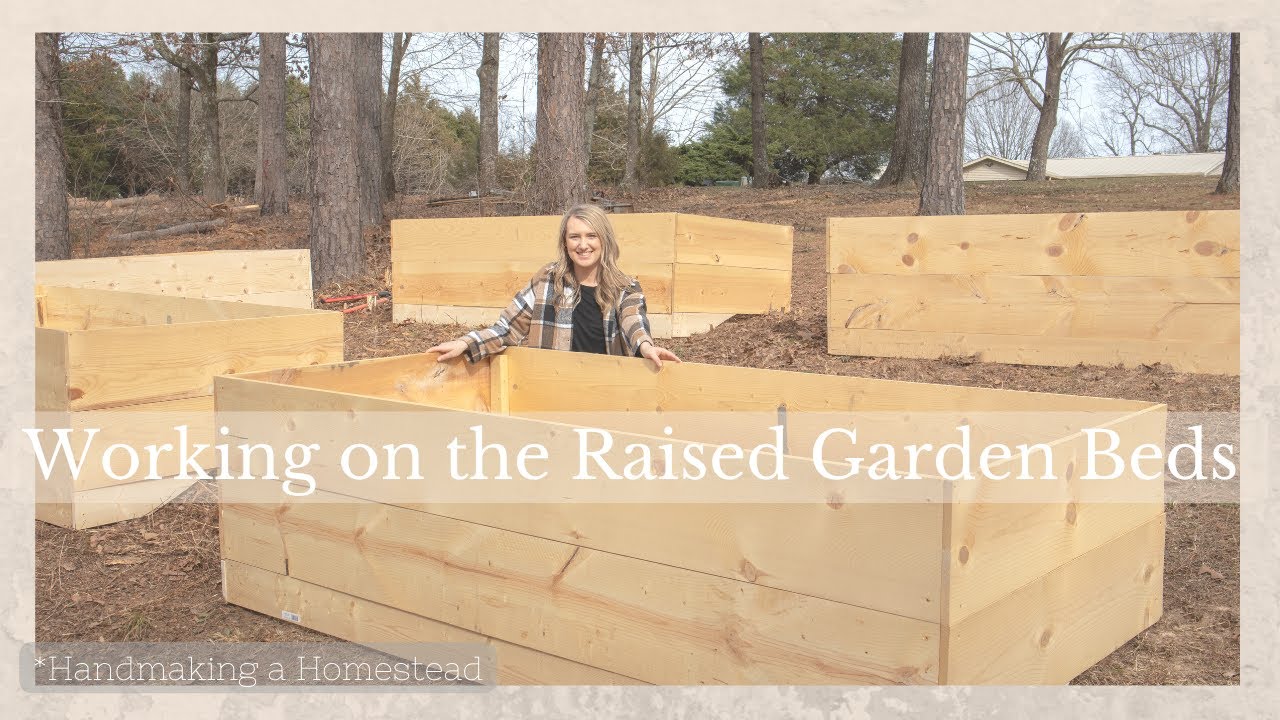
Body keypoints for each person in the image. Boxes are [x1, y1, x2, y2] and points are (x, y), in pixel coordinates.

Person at [427, 204, 682, 369]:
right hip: (551, 390)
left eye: (591, 236)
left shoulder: (626, 287)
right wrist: (465, 343)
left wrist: (646, 347)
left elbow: (632, 323)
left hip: (608, 392)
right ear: (565, 242)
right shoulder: (547, 280)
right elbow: (508, 328)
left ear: (604, 240)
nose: (583, 245)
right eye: (575, 236)